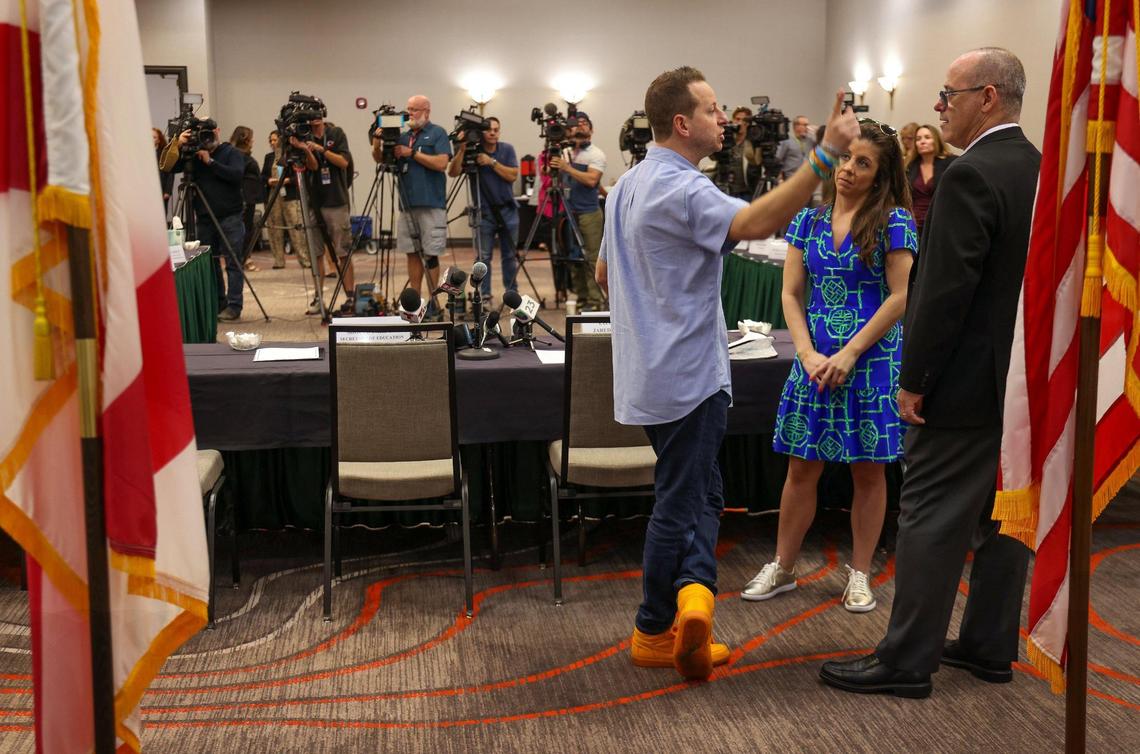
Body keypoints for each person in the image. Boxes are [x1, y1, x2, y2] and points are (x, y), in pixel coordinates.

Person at [596, 66, 859, 681]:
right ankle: (654, 626)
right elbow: (756, 224)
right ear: (682, 123)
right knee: (682, 500)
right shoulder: (684, 189)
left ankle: (693, 598)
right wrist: (824, 157)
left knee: (699, 491)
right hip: (687, 374)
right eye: (713, 110)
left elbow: (607, 278)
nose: (724, 117)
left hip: (646, 373)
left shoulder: (628, 184)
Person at [820, 47, 1040, 699]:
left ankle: (907, 659)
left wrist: (913, 378)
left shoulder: (969, 175)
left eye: (949, 95)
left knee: (929, 515)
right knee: (1006, 517)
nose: (940, 109)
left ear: (989, 97)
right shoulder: (1042, 170)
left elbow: (944, 290)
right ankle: (988, 645)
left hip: (963, 383)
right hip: (1022, 383)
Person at [741, 120, 916, 613]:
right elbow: (790, 294)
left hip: (872, 360)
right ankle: (784, 565)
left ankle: (860, 574)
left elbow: (901, 297)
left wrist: (851, 352)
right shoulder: (808, 220)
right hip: (814, 360)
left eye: (863, 163)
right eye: (846, 158)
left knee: (869, 473)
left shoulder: (894, 221)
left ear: (881, 175)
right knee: (801, 468)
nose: (848, 169)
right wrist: (807, 352)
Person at [160, 119, 246, 321]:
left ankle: (234, 306)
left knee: (233, 262)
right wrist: (177, 144)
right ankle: (218, 303)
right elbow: (167, 167)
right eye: (203, 134)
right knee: (210, 263)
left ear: (218, 131)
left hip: (229, 216)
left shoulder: (230, 152)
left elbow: (236, 175)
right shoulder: (193, 154)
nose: (208, 138)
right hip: (205, 217)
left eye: (210, 133)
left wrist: (211, 162)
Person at [374, 95, 451, 313]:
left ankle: (434, 302)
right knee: (412, 252)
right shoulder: (402, 136)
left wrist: (413, 154)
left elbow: (442, 163)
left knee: (431, 252)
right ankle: (414, 303)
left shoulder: (437, 133)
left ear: (427, 111)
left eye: (415, 109)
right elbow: (381, 159)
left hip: (431, 204)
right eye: (408, 109)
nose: (411, 114)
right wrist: (376, 142)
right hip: (406, 204)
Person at [448, 116, 520, 301]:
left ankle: (512, 293)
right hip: (484, 212)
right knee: (483, 258)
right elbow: (453, 172)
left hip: (508, 211)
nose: (493, 133)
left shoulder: (507, 149)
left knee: (510, 257)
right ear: (481, 132)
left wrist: (491, 162)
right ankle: (484, 294)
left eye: (496, 129)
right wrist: (462, 150)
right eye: (489, 129)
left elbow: (513, 175)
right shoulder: (472, 150)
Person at [295, 114, 355, 313]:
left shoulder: (336, 133)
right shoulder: (302, 135)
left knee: (343, 251)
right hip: (313, 202)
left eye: (316, 115)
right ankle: (318, 298)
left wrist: (321, 149)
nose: (313, 120)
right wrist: (304, 148)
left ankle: (350, 297)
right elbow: (312, 166)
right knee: (316, 253)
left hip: (335, 201)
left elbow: (344, 162)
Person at [550, 113, 606, 311]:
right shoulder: (564, 151)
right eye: (576, 124)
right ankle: (581, 298)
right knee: (573, 257)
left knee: (591, 257)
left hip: (589, 213)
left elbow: (592, 180)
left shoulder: (596, 154)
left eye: (584, 124)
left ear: (591, 130)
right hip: (567, 212)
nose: (579, 127)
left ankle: (596, 300)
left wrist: (567, 168)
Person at [905, 124, 956, 235]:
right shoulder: (910, 166)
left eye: (927, 137)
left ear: (936, 140)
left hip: (940, 224)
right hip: (915, 225)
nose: (922, 142)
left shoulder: (951, 163)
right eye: (918, 139)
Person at [229, 125, 262, 271]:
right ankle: (242, 258)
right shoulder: (237, 156)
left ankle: (244, 257)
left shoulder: (243, 155)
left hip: (249, 196)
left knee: (247, 228)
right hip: (243, 197)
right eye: (251, 138)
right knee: (243, 229)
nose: (253, 141)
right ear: (245, 139)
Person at [260, 130, 288, 269]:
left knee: (296, 226)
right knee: (274, 226)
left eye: (275, 140)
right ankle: (278, 260)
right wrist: (268, 180)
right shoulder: (268, 157)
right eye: (270, 140)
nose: (272, 143)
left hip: (288, 193)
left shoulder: (288, 154)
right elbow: (263, 175)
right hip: (273, 192)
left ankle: (305, 259)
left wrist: (287, 180)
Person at [775, 114, 816, 180]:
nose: (807, 128)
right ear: (796, 126)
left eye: (808, 125)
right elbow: (778, 160)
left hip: (807, 178)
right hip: (790, 178)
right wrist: (780, 178)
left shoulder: (811, 141)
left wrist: (818, 132)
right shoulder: (786, 141)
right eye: (805, 125)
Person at [153, 127, 174, 206]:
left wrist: (168, 191)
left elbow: (170, 173)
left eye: (154, 137)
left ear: (158, 140)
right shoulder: (142, 154)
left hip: (161, 191)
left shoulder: (164, 153)